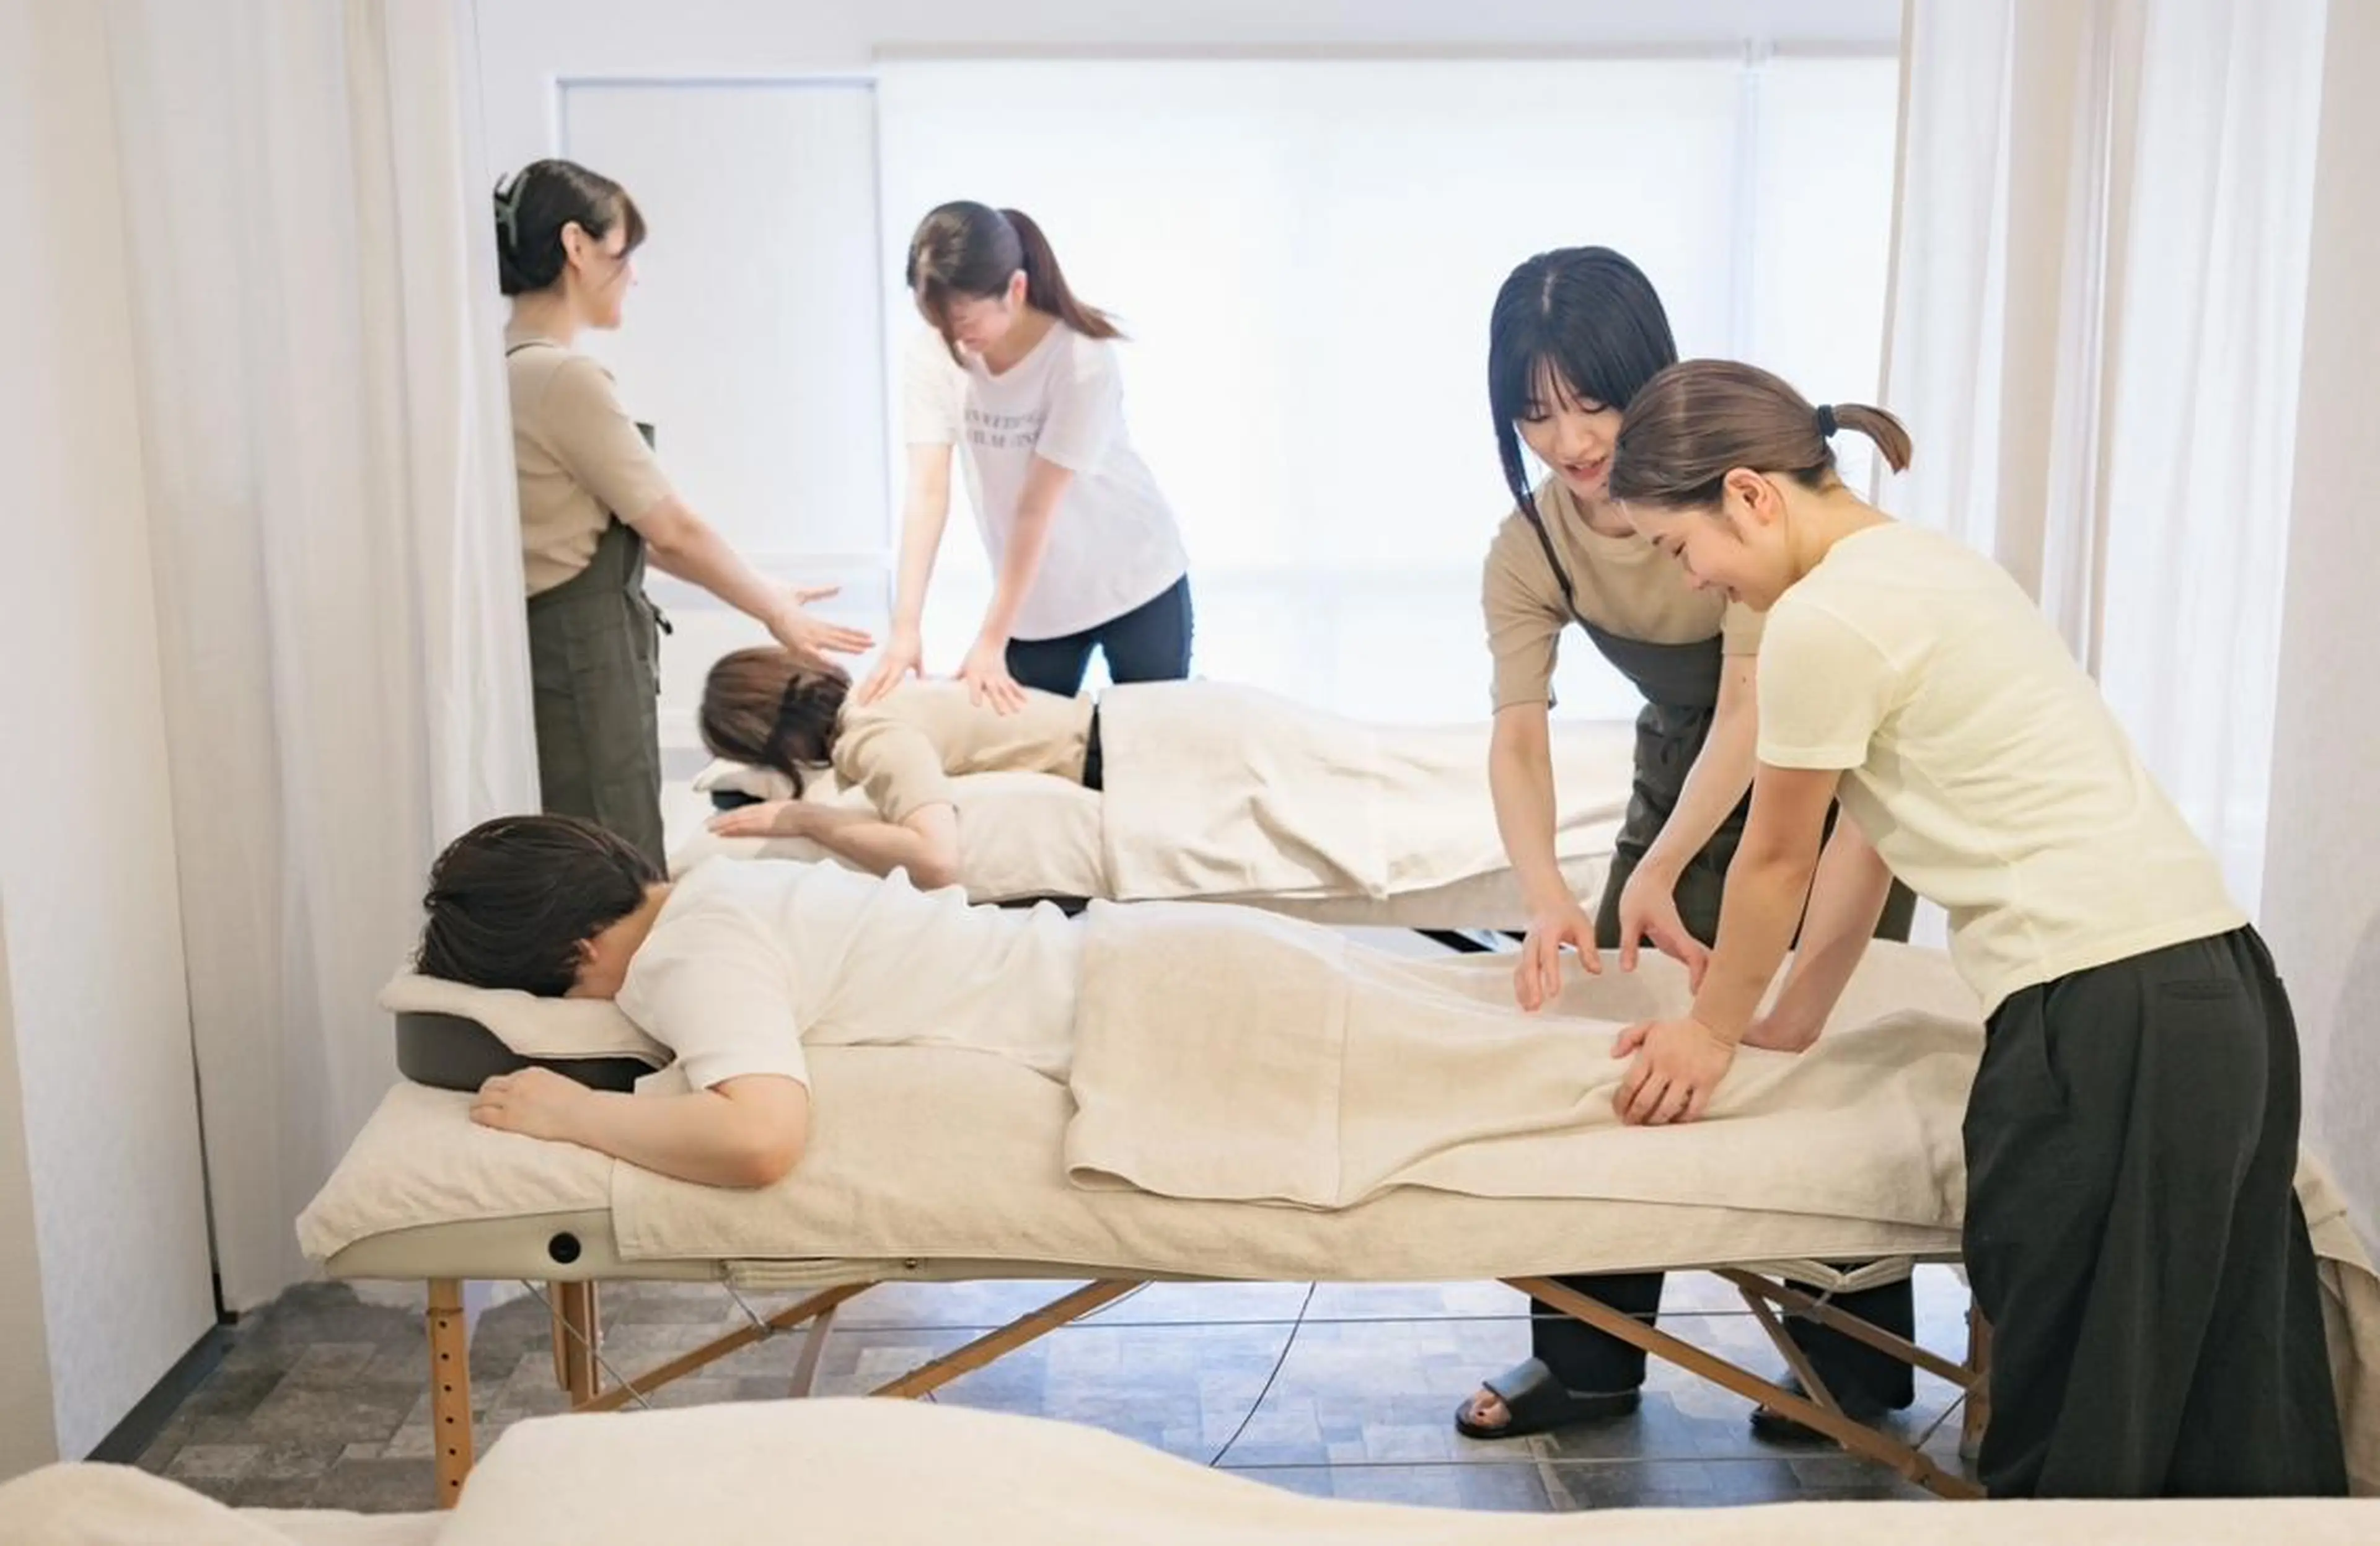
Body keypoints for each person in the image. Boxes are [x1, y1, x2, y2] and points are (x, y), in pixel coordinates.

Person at [1602, 359, 2347, 1499]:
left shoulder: (1823, 617)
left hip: (2106, 1015)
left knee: (2076, 1427)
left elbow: (1776, 856)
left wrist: (1707, 1032)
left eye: (1676, 545)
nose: (1696, 581)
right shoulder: (1932, 567)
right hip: (2224, 989)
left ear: (1749, 494)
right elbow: (1874, 835)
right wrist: (1795, 1013)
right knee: (2231, 1408)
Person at [1460, 247, 1916, 1445]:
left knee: (1812, 1057)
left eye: (1593, 399)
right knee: (1620, 1034)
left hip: (1822, 780)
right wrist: (1554, 893)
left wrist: (1662, 865)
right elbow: (1518, 737)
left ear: (1650, 376)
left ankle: (1849, 1364)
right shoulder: (1532, 549)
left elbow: (1764, 708)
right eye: (1536, 410)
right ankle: (1594, 1357)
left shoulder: (1736, 487)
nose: (1570, 439)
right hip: (1682, 773)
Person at [496, 159, 870, 866]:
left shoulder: (504, 364)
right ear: (577, 246)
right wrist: (773, 609)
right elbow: (672, 527)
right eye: (623, 251)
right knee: (614, 855)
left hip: (560, 649)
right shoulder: (559, 376)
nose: (633, 274)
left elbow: (646, 530)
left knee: (579, 855)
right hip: (582, 658)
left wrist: (766, 591)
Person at [420, 814, 1079, 1189]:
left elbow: (760, 1138)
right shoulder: (723, 884)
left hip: (1121, 1007)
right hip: (1094, 948)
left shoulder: (685, 956)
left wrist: (576, 1111)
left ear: (580, 953)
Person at [860, 202, 1192, 714]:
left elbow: (1037, 506)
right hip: (1035, 604)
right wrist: (905, 629)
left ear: (1015, 289)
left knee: (1145, 748)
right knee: (1027, 749)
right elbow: (927, 493)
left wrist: (990, 640)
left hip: (1135, 579)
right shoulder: (933, 354)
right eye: (940, 323)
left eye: (965, 322)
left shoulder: (1080, 359)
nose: (955, 340)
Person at [695, 644, 1101, 887]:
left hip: (1111, 757)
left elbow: (936, 861)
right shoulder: (868, 702)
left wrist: (805, 819)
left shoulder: (869, 734)